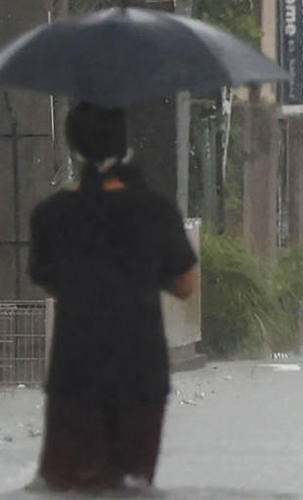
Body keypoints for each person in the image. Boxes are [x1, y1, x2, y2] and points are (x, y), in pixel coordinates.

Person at [27, 102, 197, 492]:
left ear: (74, 147)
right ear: (126, 146)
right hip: (141, 374)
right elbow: (185, 285)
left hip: (74, 373)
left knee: (66, 484)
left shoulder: (51, 215)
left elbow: (49, 282)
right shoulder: (156, 211)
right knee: (132, 485)